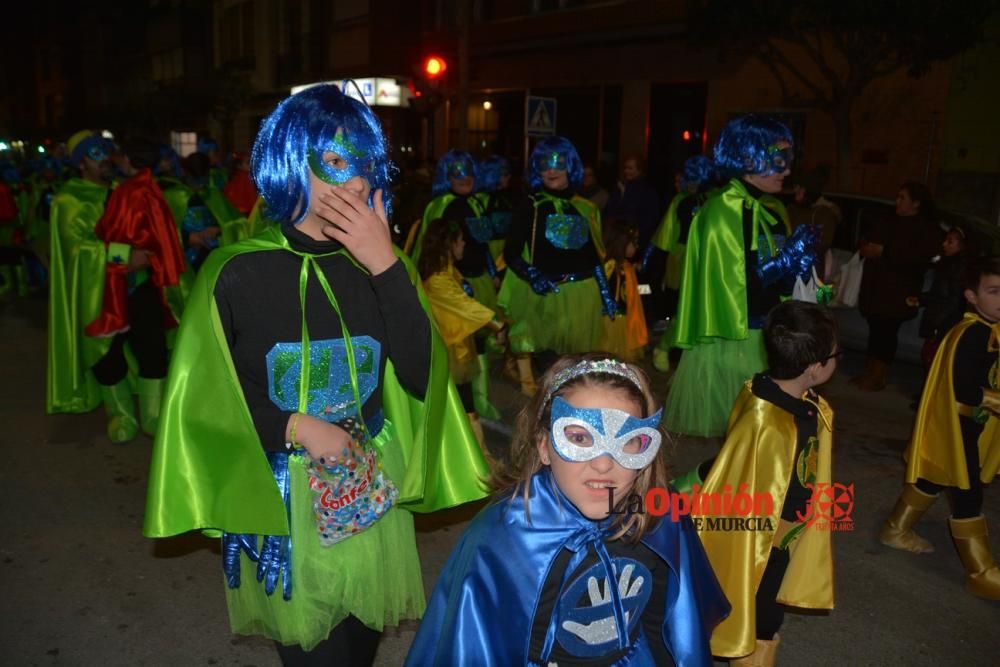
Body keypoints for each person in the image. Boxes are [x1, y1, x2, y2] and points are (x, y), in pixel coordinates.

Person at [143, 84, 490, 665]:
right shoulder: (235, 273)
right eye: (335, 161)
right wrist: (296, 426)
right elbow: (203, 404)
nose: (356, 182)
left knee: (358, 645)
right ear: (288, 162)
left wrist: (385, 265)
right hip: (284, 496)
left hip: (367, 486)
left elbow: (420, 374)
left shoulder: (384, 262)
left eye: (367, 164)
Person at [405, 354, 730, 666]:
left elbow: (670, 621)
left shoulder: (658, 514)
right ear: (545, 446)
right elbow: (473, 643)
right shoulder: (503, 536)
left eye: (627, 440)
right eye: (579, 437)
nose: (603, 464)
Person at [696, 300, 838, 666]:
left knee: (763, 604)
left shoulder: (770, 392)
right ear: (814, 368)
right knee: (763, 611)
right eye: (836, 355)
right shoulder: (771, 422)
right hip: (766, 536)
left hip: (783, 528)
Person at [663, 115, 817, 437]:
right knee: (742, 434)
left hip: (772, 334)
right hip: (735, 338)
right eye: (779, 160)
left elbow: (779, 283)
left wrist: (801, 269)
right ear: (749, 158)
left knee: (764, 434)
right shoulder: (721, 211)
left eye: (789, 160)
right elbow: (735, 287)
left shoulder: (772, 209)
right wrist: (787, 258)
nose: (787, 170)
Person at [879, 256, 1000, 600]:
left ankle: (894, 529)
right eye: (993, 291)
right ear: (972, 296)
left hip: (971, 424)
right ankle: (980, 571)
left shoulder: (991, 331)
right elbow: (964, 388)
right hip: (957, 425)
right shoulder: (973, 333)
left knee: (933, 478)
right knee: (967, 492)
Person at [499, 136, 613, 395]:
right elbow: (511, 253)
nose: (550, 169)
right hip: (547, 296)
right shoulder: (531, 205)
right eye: (544, 163)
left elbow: (594, 256)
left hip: (583, 298)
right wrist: (532, 275)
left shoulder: (587, 207)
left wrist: (606, 296)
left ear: (570, 165)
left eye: (558, 163)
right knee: (550, 369)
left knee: (577, 371)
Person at [409, 150, 501, 420]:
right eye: (456, 173)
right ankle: (469, 409)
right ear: (446, 176)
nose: (464, 178)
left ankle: (477, 403)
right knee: (461, 348)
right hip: (453, 284)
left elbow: (483, 245)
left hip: (477, 279)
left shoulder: (477, 203)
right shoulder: (441, 206)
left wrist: (492, 271)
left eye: (469, 172)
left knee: (476, 346)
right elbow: (431, 249)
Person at [418, 217, 507, 450]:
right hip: (447, 352)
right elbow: (467, 306)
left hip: (457, 349)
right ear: (449, 244)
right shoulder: (438, 279)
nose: (464, 246)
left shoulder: (448, 272)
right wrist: (499, 325)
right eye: (460, 241)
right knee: (464, 407)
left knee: (463, 406)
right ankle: (478, 456)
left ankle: (473, 453)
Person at [852, 181, 942, 391]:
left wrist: (885, 251)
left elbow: (922, 257)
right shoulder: (889, 220)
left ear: (917, 203)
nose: (897, 202)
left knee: (886, 333)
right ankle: (869, 372)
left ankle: (878, 376)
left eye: (903, 198)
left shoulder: (926, 228)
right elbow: (870, 238)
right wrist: (866, 247)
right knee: (875, 331)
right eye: (898, 197)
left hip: (898, 292)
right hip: (876, 289)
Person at [647, 155, 717, 371]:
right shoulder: (680, 201)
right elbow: (665, 235)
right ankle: (666, 346)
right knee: (684, 309)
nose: (685, 182)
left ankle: (678, 349)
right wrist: (648, 262)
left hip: (709, 260)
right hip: (683, 261)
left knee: (703, 308)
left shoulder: (718, 200)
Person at [906, 226, 973, 370]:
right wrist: (921, 299)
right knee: (930, 357)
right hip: (939, 319)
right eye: (945, 240)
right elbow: (939, 292)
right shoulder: (948, 264)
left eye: (950, 241)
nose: (944, 244)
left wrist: (938, 324)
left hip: (944, 322)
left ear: (962, 246)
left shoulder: (960, 267)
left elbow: (954, 300)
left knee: (934, 359)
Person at [601, 218, 648, 362]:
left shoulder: (626, 266)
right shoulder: (611, 266)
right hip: (611, 321)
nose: (636, 247)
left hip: (623, 319)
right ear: (621, 242)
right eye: (633, 242)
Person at [786, 168, 840, 281]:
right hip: (791, 272)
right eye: (795, 186)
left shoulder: (823, 213)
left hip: (811, 276)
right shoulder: (793, 209)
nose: (795, 190)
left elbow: (820, 245)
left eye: (800, 187)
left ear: (810, 190)